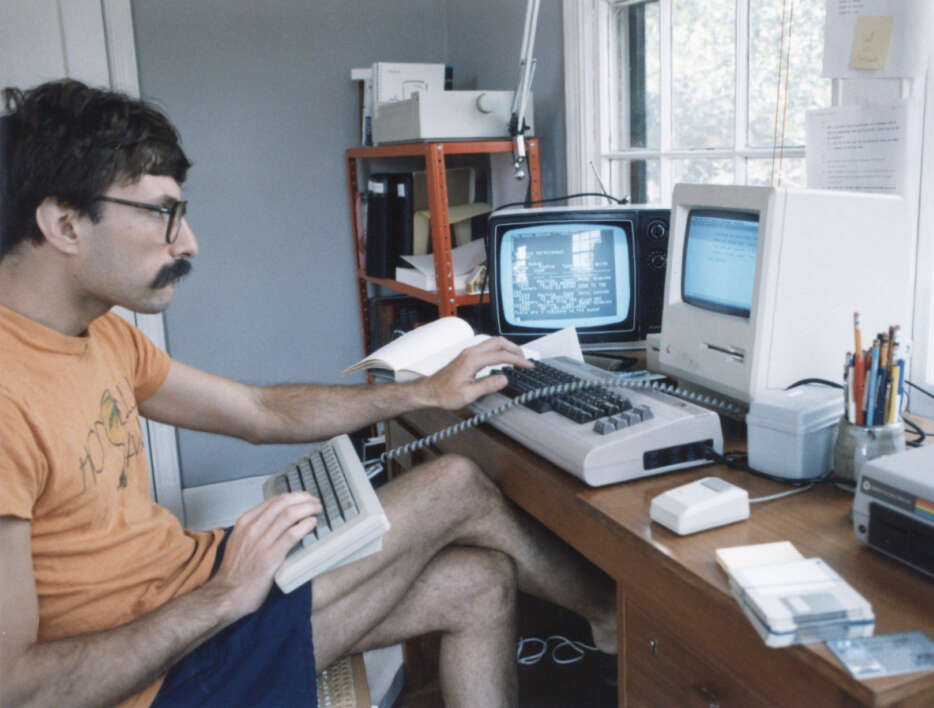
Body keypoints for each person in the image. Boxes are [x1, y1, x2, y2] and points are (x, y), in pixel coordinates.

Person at [0, 79, 616, 708]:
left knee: (479, 580)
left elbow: (259, 411)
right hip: (162, 679)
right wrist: (224, 598)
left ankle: (611, 621)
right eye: (163, 213)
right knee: (453, 485)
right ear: (66, 224)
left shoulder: (100, 334)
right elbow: (16, 689)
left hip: (190, 591)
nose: (188, 243)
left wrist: (421, 392)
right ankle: (616, 621)